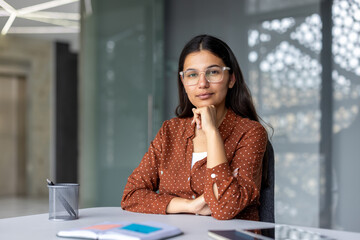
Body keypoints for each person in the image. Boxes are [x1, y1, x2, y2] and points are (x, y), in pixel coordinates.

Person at [121, 34, 270, 220]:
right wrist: (191, 205)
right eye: (192, 75)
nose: (202, 84)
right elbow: (131, 196)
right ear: (183, 82)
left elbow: (225, 208)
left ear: (231, 79)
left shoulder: (250, 133)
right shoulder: (170, 131)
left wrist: (212, 131)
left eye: (213, 72)